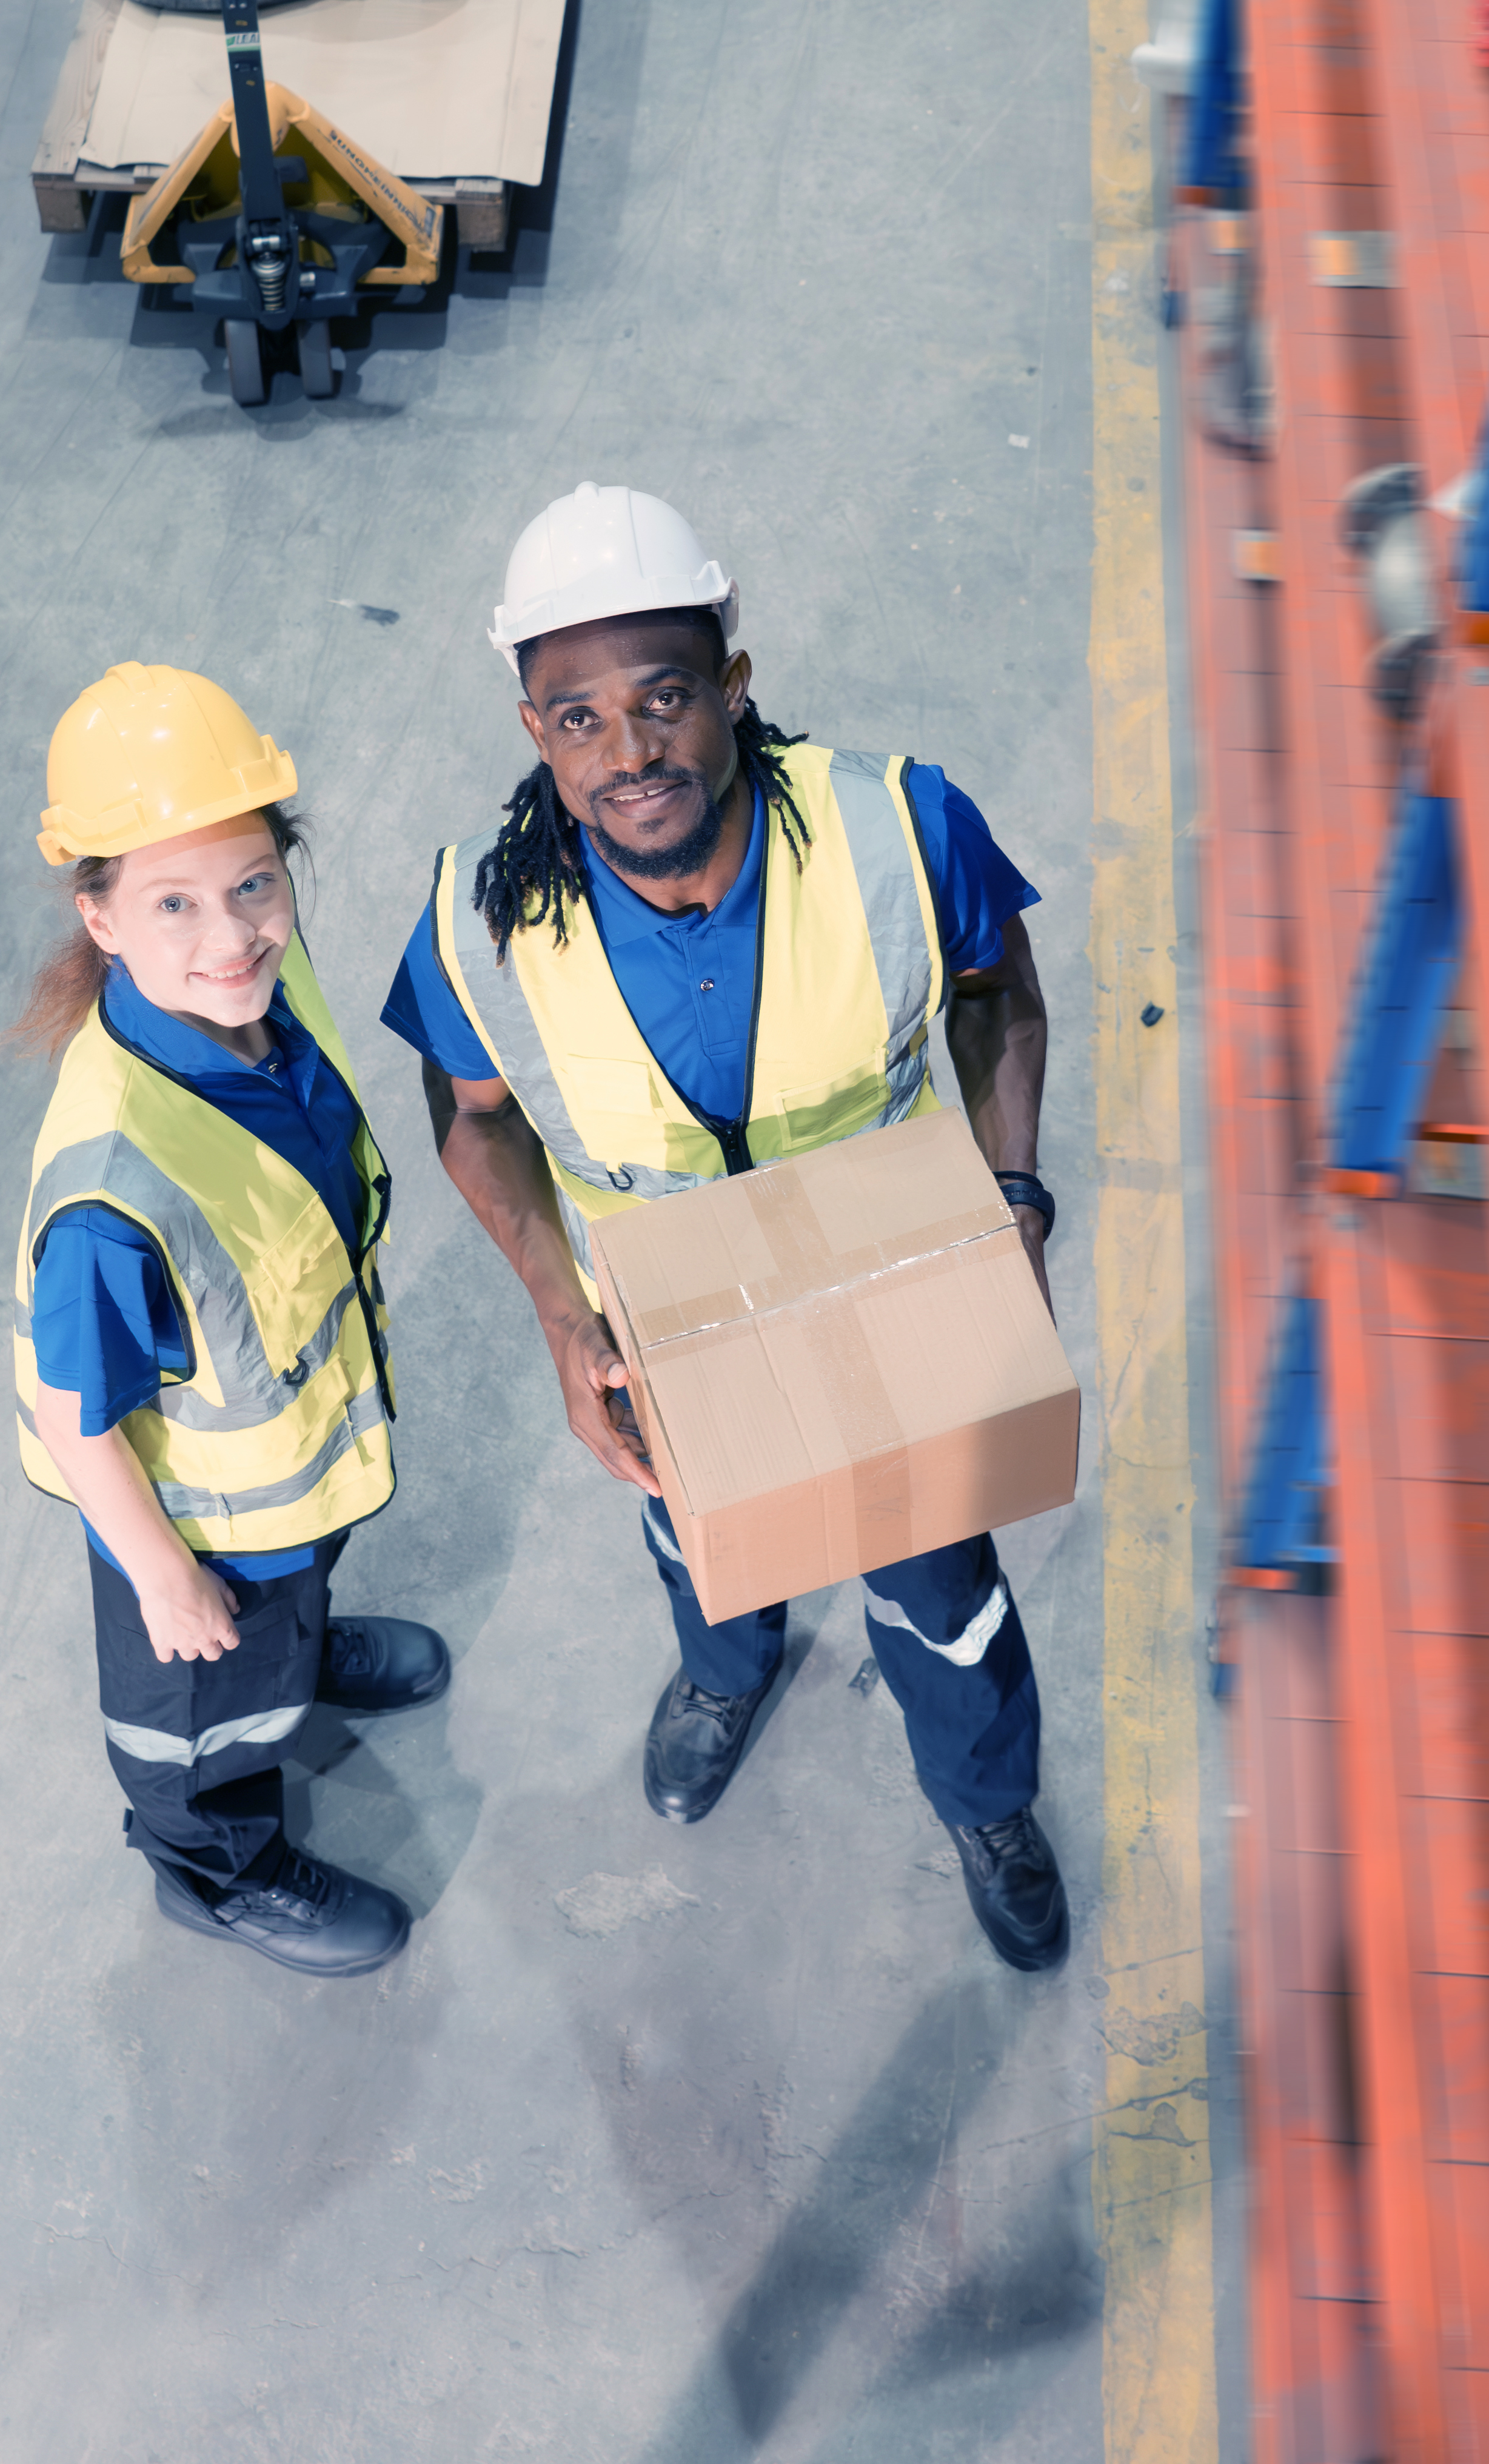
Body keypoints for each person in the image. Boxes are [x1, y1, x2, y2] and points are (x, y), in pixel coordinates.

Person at [380, 486, 1071, 1972]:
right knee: (700, 1542)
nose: (627, 754)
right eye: (578, 719)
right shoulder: (475, 924)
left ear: (733, 686)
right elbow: (474, 1123)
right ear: (533, 730)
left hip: (888, 1288)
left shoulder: (896, 825)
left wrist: (1013, 1192)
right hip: (678, 1320)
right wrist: (565, 1318)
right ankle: (723, 1671)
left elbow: (999, 994)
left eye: (664, 699)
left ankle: (987, 1805)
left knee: (942, 1593)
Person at [8, 663, 448, 1979]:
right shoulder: (110, 1188)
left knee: (287, 1614)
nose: (233, 937)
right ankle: (218, 1873)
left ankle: (297, 1660)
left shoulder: (259, 991)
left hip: (285, 1487)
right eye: (175, 904)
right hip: (200, 1525)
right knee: (197, 1717)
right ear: (98, 916)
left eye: (254, 883)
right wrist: (162, 1576)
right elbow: (75, 1418)